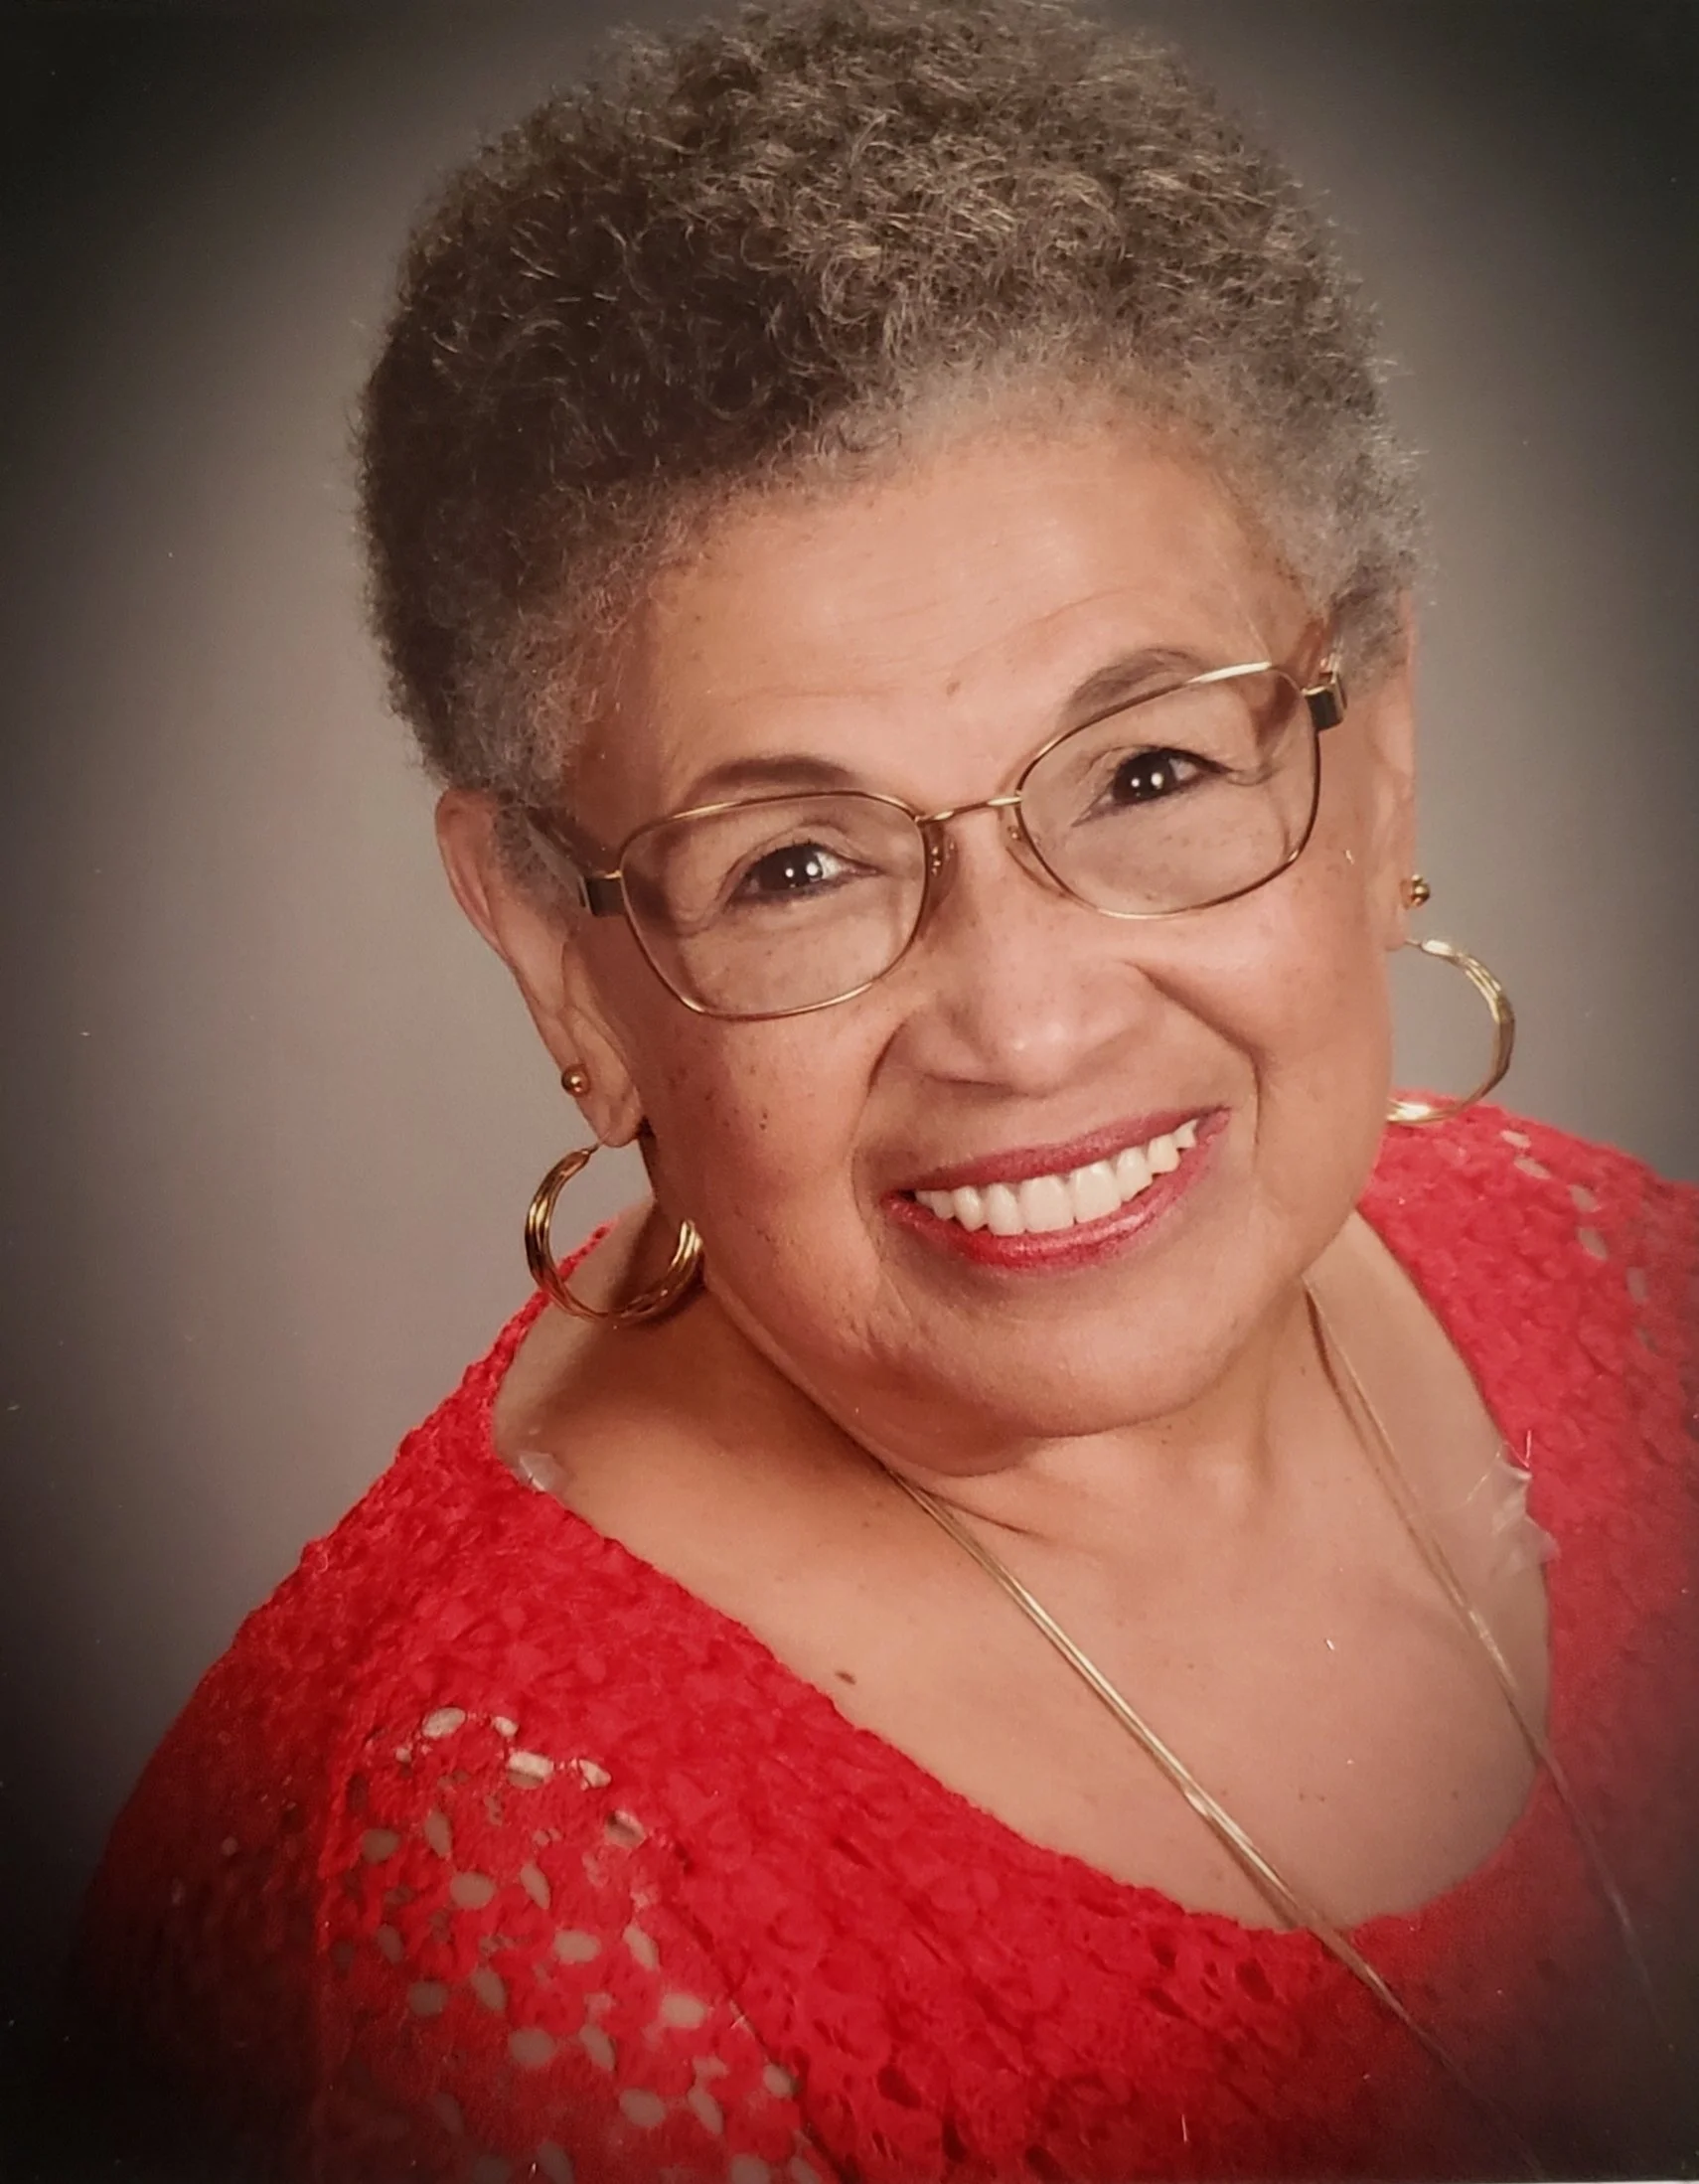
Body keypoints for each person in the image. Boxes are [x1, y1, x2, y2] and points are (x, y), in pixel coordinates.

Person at [77, 2, 1698, 2178]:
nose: (1024, 1025)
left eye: (1148, 769)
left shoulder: (1617, 1273)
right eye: (800, 863)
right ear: (565, 952)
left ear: (1376, 739)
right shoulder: (519, 1877)